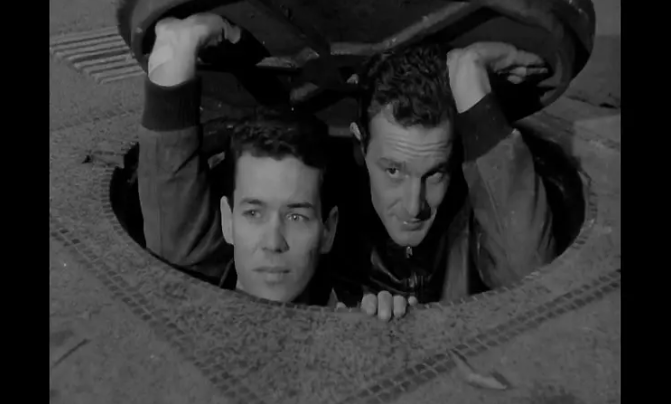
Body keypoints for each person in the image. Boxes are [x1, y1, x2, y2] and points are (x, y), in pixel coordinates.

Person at [329, 42, 557, 320]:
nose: (414, 207)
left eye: (435, 173)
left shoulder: (473, 206)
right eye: (393, 171)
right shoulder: (325, 211)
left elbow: (532, 279)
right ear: (360, 145)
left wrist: (471, 83)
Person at [137, 13, 339, 305]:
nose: (273, 243)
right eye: (254, 213)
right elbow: (168, 161)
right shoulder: (188, 279)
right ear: (228, 221)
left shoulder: (354, 303)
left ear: (328, 230)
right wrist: (190, 37)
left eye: (296, 217)